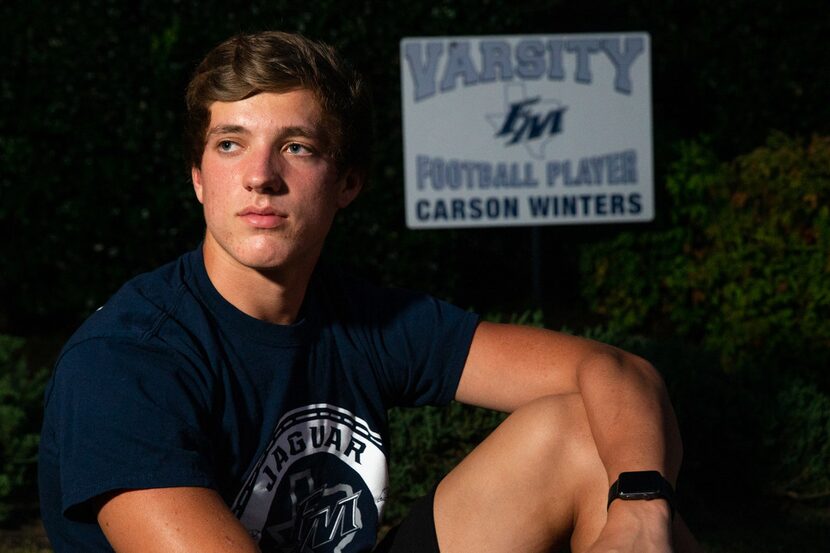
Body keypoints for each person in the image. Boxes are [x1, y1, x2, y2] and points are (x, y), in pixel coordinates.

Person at [38, 31, 700, 553]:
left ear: (347, 182)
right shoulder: (127, 361)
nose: (260, 176)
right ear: (199, 178)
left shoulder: (363, 317)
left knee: (592, 435)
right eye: (231, 144)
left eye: (296, 146)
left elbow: (616, 371)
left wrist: (642, 507)